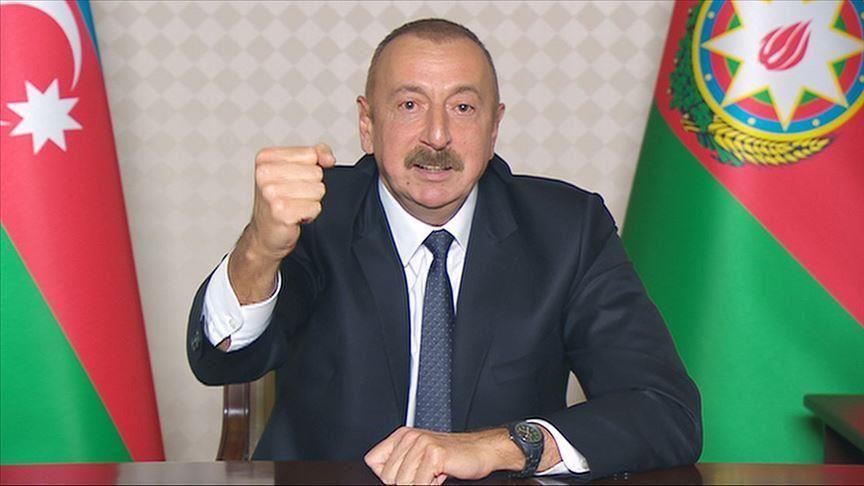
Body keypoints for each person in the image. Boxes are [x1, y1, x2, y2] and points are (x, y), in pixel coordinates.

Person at [187, 18, 701, 484]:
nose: (437, 136)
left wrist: (503, 446)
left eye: (463, 108)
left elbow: (665, 411)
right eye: (410, 105)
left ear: (494, 127)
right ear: (368, 124)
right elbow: (222, 360)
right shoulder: (319, 215)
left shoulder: (567, 231)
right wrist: (259, 249)